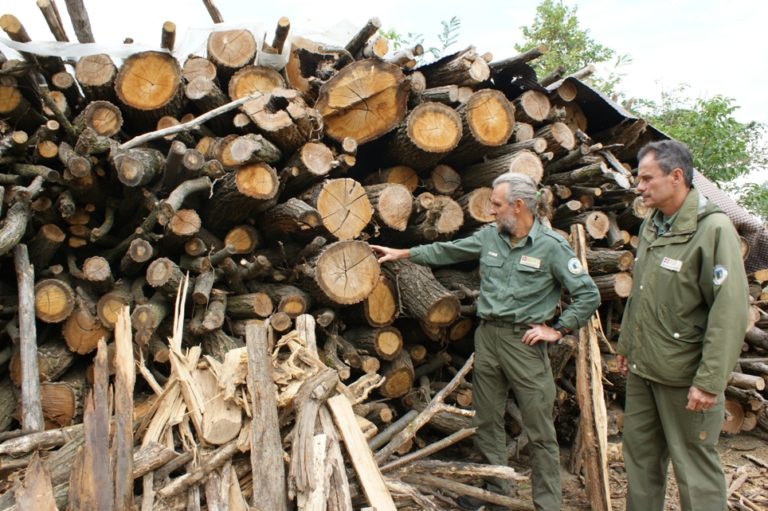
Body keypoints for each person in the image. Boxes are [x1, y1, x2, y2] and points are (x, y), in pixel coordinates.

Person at [371, 173, 600, 511]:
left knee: (539, 429)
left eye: (496, 204)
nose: (491, 210)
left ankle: (548, 503)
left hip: (525, 343)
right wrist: (401, 253)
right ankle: (498, 494)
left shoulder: (552, 247)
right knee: (486, 420)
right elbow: (446, 251)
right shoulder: (490, 238)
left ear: (518, 205)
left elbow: (588, 294)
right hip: (488, 337)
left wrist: (559, 329)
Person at [616, 140, 749, 511]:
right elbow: (641, 293)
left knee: (695, 470)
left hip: (685, 377)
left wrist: (709, 381)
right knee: (640, 462)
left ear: (676, 177)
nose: (639, 187)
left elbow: (730, 311)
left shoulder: (713, 229)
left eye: (646, 178)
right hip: (645, 370)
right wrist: (627, 346)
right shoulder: (653, 226)